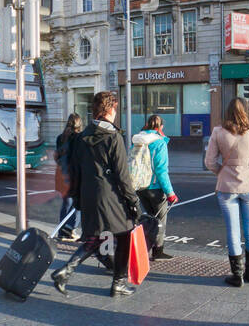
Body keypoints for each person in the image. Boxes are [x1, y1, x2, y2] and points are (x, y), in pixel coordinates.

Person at [46, 92, 143, 297]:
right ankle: (118, 283)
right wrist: (133, 201)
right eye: (115, 109)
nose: (116, 113)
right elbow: (122, 175)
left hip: (88, 194)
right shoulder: (113, 137)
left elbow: (76, 170)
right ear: (109, 110)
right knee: (125, 233)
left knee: (94, 237)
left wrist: (78, 197)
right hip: (109, 196)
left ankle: (65, 272)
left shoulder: (82, 137)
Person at [206, 98, 249, 286]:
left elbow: (209, 162)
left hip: (226, 186)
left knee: (233, 231)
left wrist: (221, 172)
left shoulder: (218, 132)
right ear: (247, 111)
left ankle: (237, 276)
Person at [129, 113, 175, 260]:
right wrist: (170, 192)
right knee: (160, 220)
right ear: (161, 127)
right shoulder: (159, 142)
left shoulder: (137, 140)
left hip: (140, 186)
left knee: (148, 218)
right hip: (155, 188)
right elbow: (161, 171)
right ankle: (158, 251)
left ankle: (142, 249)